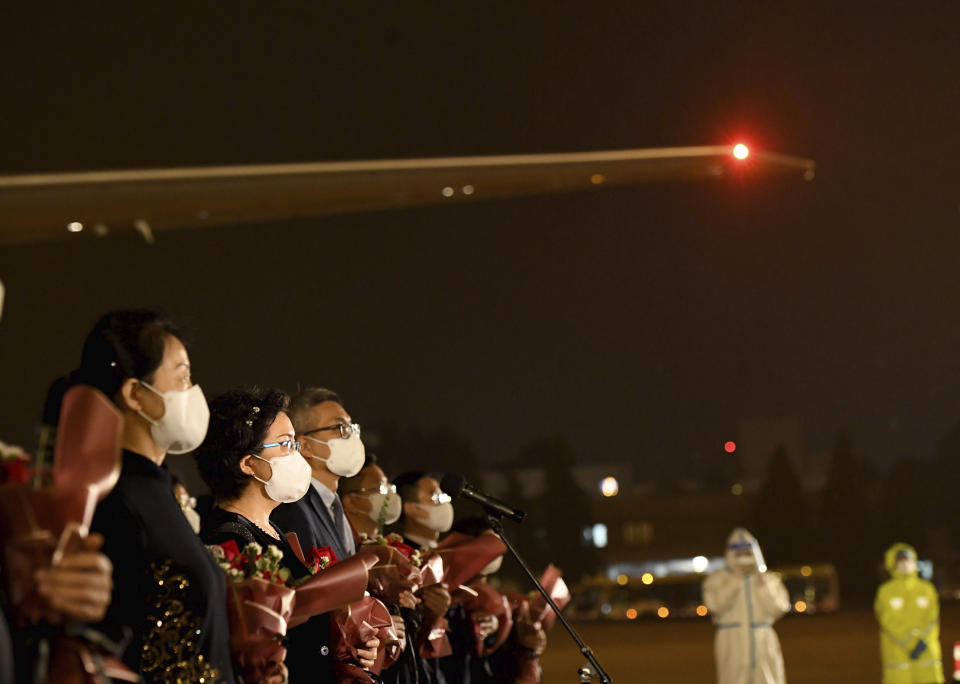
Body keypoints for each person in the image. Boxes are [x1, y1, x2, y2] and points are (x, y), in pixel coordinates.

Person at [70, 309, 236, 683]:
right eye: (182, 376)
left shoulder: (159, 489)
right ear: (135, 394)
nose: (192, 392)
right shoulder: (114, 498)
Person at [194, 387, 380, 684]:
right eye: (285, 445)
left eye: (295, 443)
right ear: (248, 464)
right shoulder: (230, 544)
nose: (297, 456)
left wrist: (349, 644)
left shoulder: (273, 532)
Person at [341, 458, 418, 684]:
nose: (389, 496)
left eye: (390, 488)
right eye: (381, 488)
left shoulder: (388, 547)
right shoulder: (345, 549)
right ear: (352, 502)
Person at [272, 387, 365, 563]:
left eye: (350, 427)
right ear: (305, 445)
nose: (350, 436)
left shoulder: (334, 505)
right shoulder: (293, 508)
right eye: (339, 427)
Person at [702, 528, 790, 684]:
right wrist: (735, 582)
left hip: (762, 640)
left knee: (768, 679)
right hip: (731, 641)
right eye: (739, 553)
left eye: (747, 552)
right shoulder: (718, 579)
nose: (743, 557)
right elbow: (714, 605)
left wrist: (764, 587)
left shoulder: (768, 579)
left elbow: (779, 608)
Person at [394, 471, 458, 684]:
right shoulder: (398, 558)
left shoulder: (449, 556)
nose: (443, 503)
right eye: (434, 496)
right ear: (411, 508)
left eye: (443, 496)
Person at [874, 543, 944, 684]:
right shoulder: (885, 592)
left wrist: (922, 643)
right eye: (901, 561)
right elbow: (887, 621)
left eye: (909, 560)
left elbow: (932, 620)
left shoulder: (927, 589)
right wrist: (911, 643)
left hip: (927, 664)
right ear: (893, 564)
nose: (906, 564)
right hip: (899, 668)